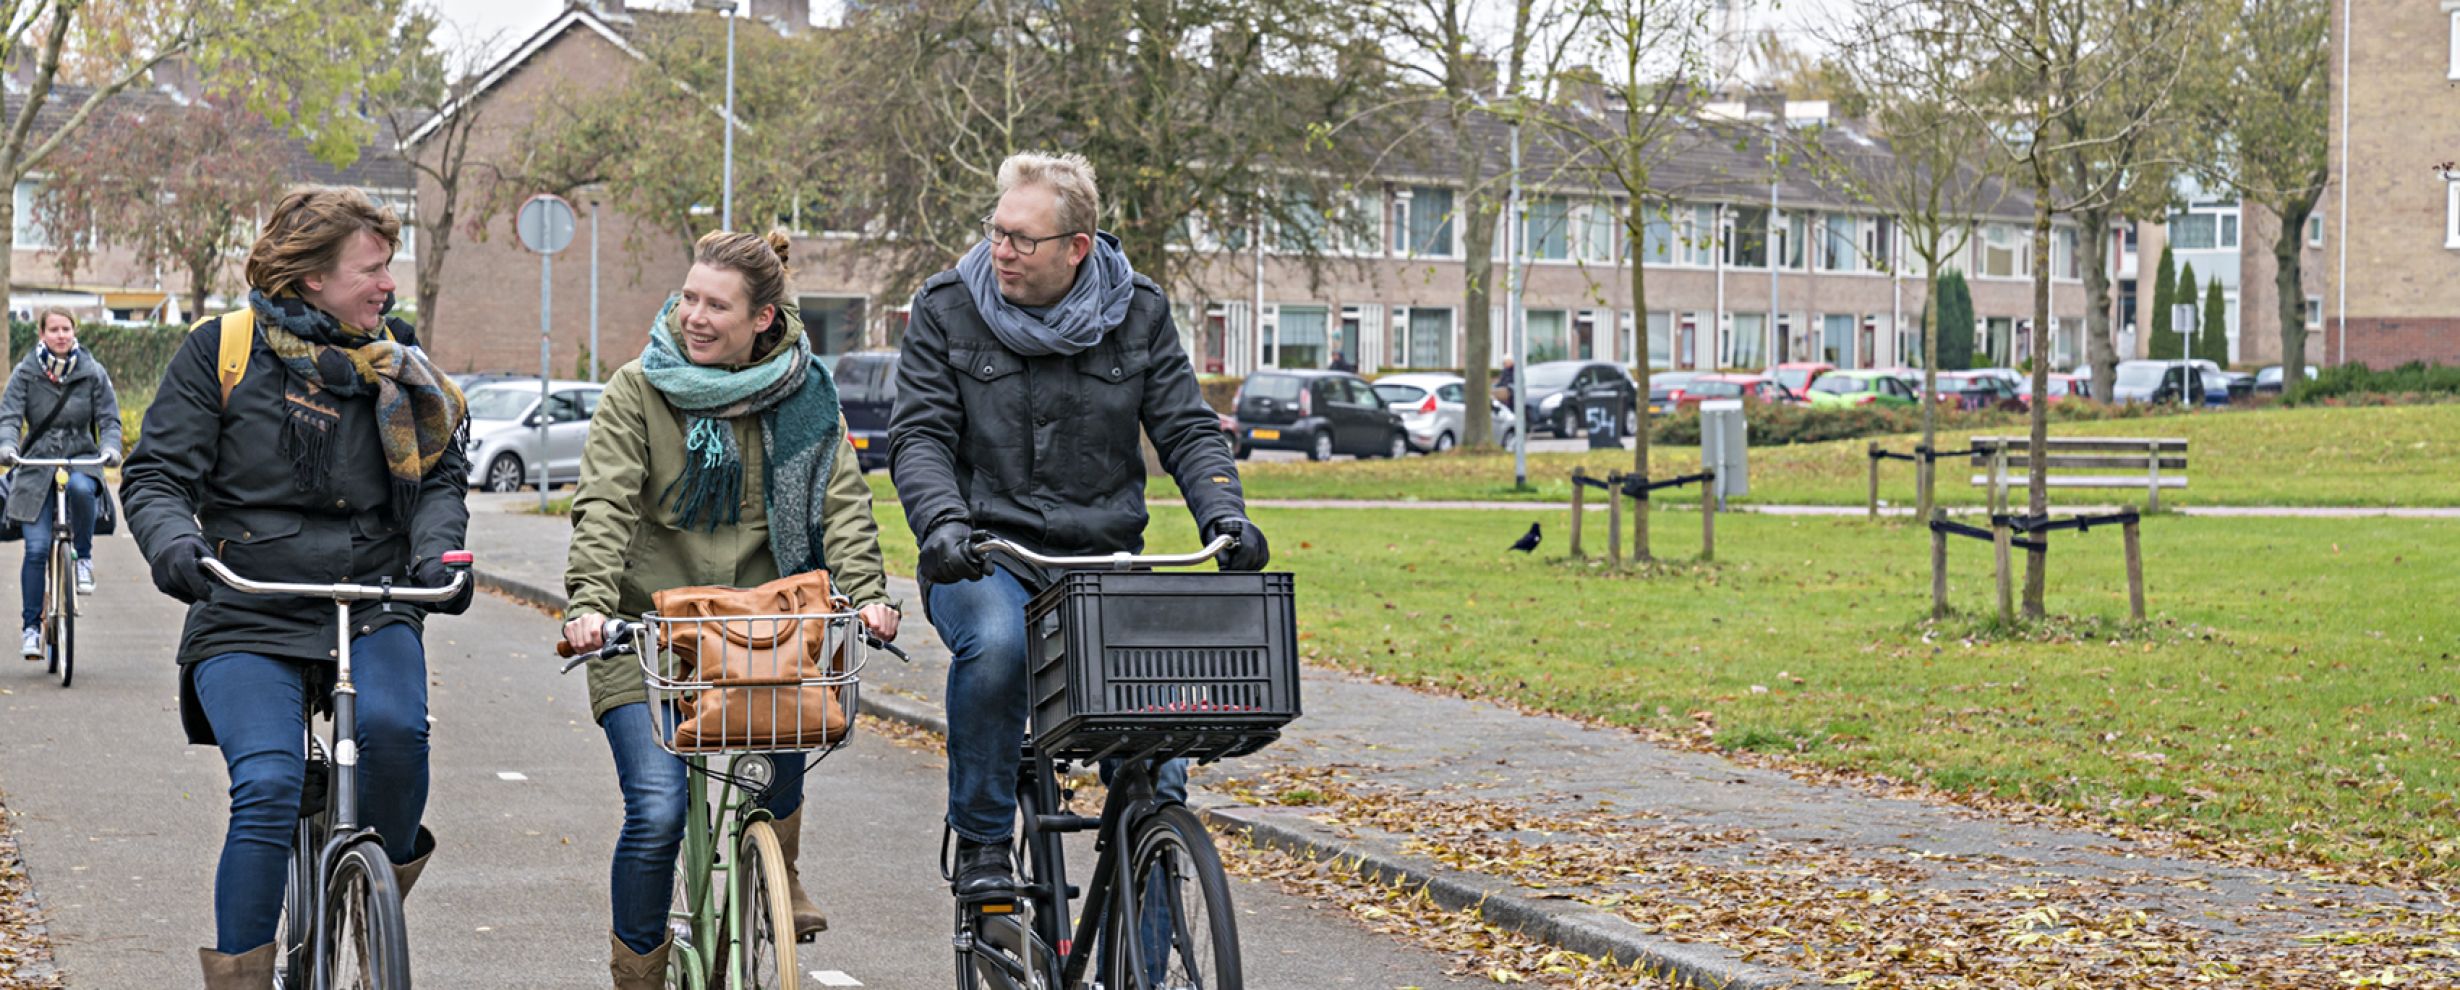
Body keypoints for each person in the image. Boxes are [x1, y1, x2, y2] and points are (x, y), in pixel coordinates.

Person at [889, 152, 1269, 898]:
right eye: (996, 231)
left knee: (1158, 752)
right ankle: (985, 842)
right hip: (985, 553)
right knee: (996, 647)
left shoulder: (1140, 312)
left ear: (1077, 247)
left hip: (1105, 557)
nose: (1000, 250)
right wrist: (941, 523)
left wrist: (1226, 511)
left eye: (1021, 240)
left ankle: (1151, 912)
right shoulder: (946, 308)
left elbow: (1187, 429)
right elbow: (921, 436)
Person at [120, 186, 472, 989]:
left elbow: (443, 474)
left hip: (372, 596)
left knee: (394, 736)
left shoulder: (402, 359)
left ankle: (363, 895)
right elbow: (155, 475)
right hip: (247, 598)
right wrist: (176, 546)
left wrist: (436, 555)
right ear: (312, 277)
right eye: (372, 268)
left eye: (389, 267)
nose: (389, 285)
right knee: (271, 784)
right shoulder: (223, 348)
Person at [559, 230, 899, 988]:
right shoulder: (637, 389)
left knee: (789, 748)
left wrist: (869, 595)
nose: (695, 317)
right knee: (655, 815)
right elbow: (605, 506)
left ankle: (778, 863)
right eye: (690, 298)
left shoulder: (806, 395)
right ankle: (639, 975)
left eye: (718, 306)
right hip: (651, 638)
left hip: (762, 636)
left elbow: (841, 502)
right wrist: (587, 606)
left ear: (764, 321)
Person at [0, 308, 123, 656]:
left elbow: (109, 420)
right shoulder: (25, 373)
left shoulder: (92, 372)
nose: (60, 335)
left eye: (66, 328)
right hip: (35, 465)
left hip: (80, 458)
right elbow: (9, 418)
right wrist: (7, 446)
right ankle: (29, 629)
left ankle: (83, 558)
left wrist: (111, 449)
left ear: (74, 332)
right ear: (42, 334)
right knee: (37, 549)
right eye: (53, 329)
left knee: (82, 489)